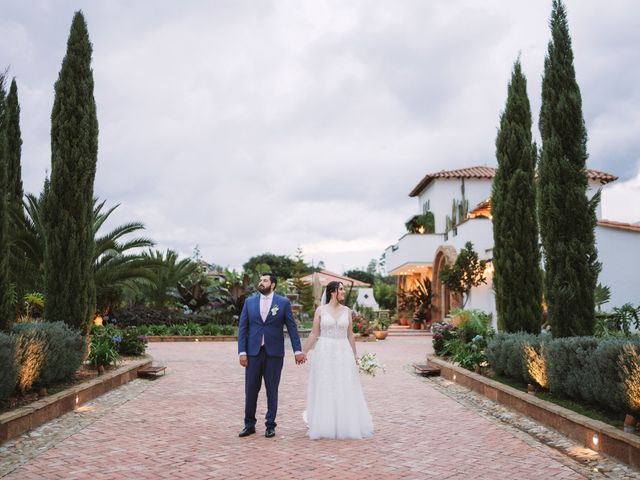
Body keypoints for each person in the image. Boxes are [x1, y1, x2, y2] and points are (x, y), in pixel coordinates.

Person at [237, 273, 306, 438]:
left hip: (274, 353)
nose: (261, 282)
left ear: (273, 284)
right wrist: (242, 351)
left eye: (265, 280)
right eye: (260, 280)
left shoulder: (283, 303)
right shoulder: (249, 302)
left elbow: (292, 327)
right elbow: (243, 328)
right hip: (253, 353)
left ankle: (270, 425)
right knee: (251, 389)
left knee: (272, 389)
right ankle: (249, 424)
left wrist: (297, 350)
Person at [302, 281, 373, 439]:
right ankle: (325, 423)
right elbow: (314, 333)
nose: (343, 292)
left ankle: (345, 423)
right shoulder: (320, 310)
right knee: (326, 385)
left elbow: (350, 334)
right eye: (341, 289)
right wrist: (305, 351)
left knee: (344, 384)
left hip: (343, 352)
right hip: (324, 351)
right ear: (333, 291)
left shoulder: (347, 311)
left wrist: (355, 355)